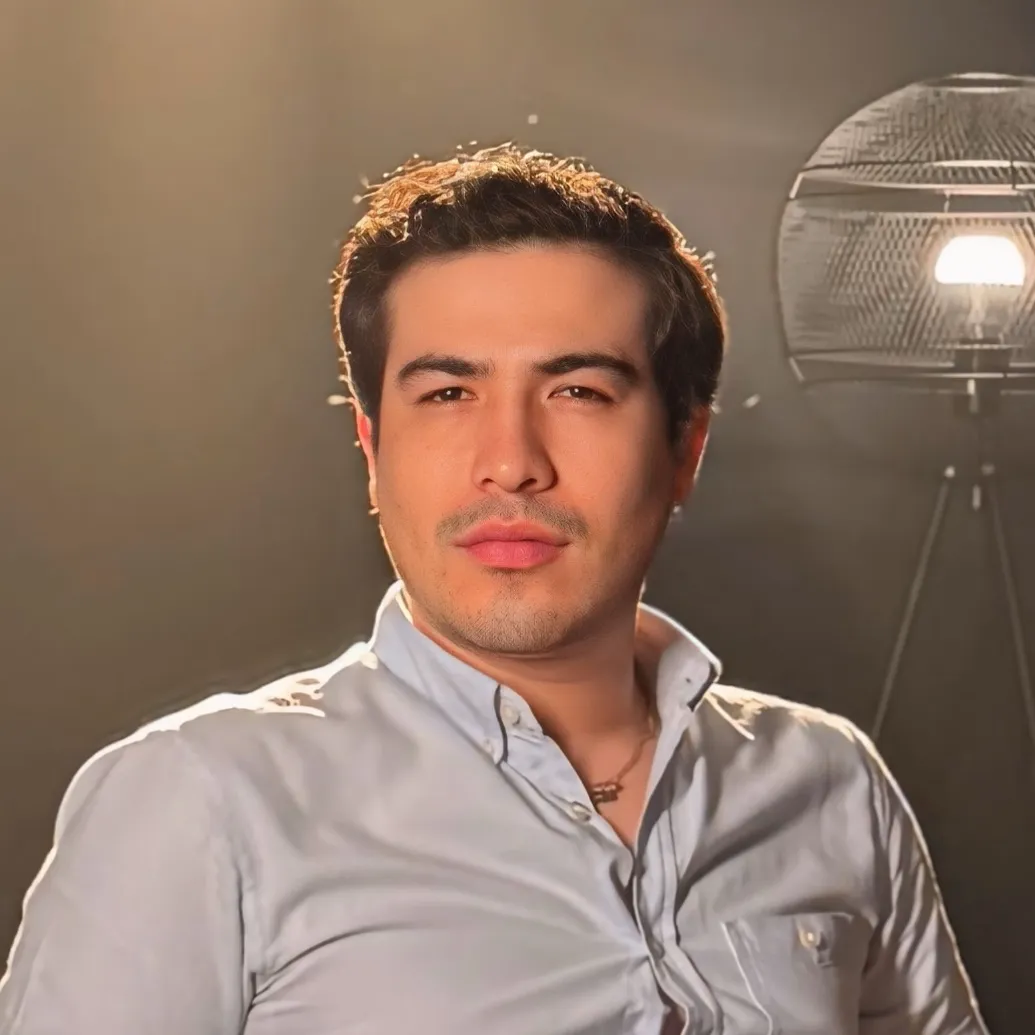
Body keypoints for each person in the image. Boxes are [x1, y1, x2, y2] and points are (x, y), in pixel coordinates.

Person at [0, 144, 987, 1035]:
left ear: (685, 446)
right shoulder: (202, 798)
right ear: (372, 449)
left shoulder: (829, 781)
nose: (510, 462)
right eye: (447, 394)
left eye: (578, 392)